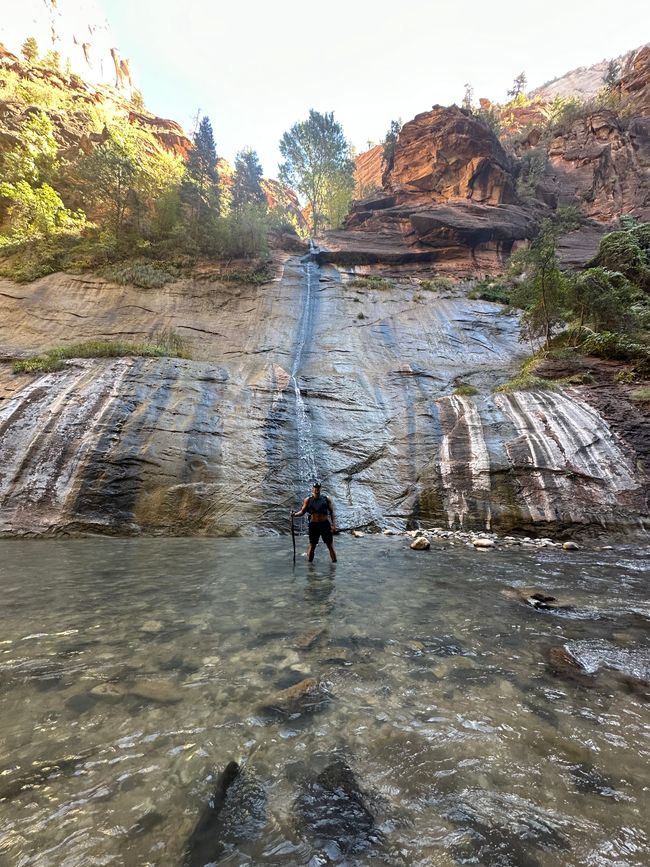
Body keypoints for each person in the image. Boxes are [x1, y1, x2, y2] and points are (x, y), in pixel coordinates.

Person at [291, 481, 337, 562]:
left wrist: (333, 525)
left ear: (320, 489)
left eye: (318, 488)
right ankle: (310, 568)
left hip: (325, 524)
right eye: (315, 488)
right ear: (313, 489)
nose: (317, 489)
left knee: (329, 545)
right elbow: (302, 512)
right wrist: (294, 515)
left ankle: (334, 565)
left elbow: (332, 512)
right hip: (314, 525)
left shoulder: (326, 499)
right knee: (312, 545)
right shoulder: (308, 500)